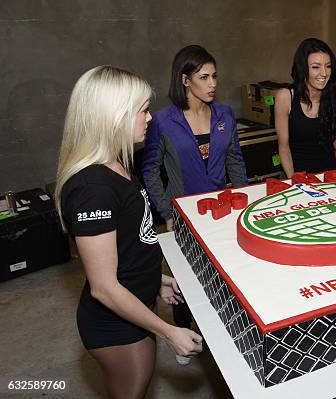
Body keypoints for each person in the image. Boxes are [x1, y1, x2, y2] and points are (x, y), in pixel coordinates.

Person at [55, 65, 203, 398]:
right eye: (142, 110)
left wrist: (157, 280)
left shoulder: (117, 163)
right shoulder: (92, 188)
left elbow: (130, 241)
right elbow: (104, 288)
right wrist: (169, 331)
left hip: (134, 308)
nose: (150, 118)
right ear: (113, 116)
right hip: (114, 328)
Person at [142, 45, 247, 364]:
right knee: (185, 281)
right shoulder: (162, 121)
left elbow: (235, 161)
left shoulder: (225, 114)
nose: (213, 82)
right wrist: (167, 212)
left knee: (224, 275)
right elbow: (149, 171)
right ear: (185, 80)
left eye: (215, 76)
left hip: (223, 211)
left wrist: (243, 200)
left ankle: (226, 330)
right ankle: (183, 331)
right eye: (204, 77)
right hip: (183, 215)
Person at [274, 38, 336, 177]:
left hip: (329, 175)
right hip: (296, 175)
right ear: (303, 68)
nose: (324, 73)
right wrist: (296, 181)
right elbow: (284, 148)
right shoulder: (285, 97)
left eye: (328, 66)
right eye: (316, 67)